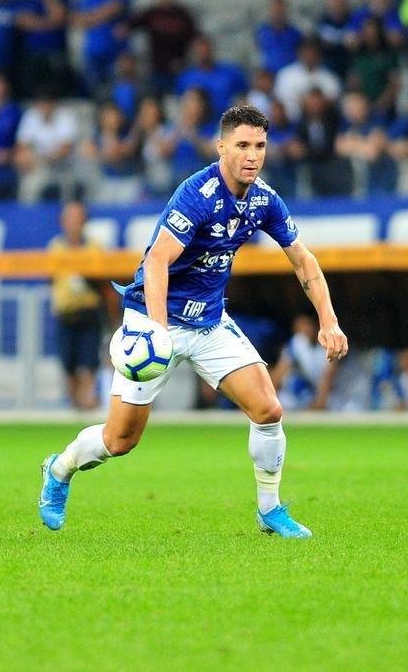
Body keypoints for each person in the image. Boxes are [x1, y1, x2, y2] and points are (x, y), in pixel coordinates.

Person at [38, 103, 349, 538]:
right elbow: (158, 261)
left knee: (268, 408)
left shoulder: (264, 200)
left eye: (260, 146)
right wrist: (158, 331)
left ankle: (270, 509)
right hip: (154, 318)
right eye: (242, 145)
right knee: (120, 440)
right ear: (221, 147)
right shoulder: (197, 194)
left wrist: (328, 320)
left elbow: (303, 260)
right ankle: (59, 469)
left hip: (209, 322)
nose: (252, 156)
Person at [48, 201, 104, 411]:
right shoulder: (55, 247)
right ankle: (74, 402)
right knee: (68, 362)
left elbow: (102, 280)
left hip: (88, 310)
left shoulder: (94, 247)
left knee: (89, 360)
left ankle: (85, 399)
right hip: (66, 312)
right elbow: (51, 278)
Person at [273, 314, 370, 412]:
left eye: (306, 326)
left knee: (349, 411)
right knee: (286, 400)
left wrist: (318, 405)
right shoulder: (299, 343)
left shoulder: (332, 338)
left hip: (349, 391)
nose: (302, 331)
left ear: (316, 325)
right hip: (327, 393)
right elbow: (279, 373)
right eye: (299, 328)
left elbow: (328, 378)